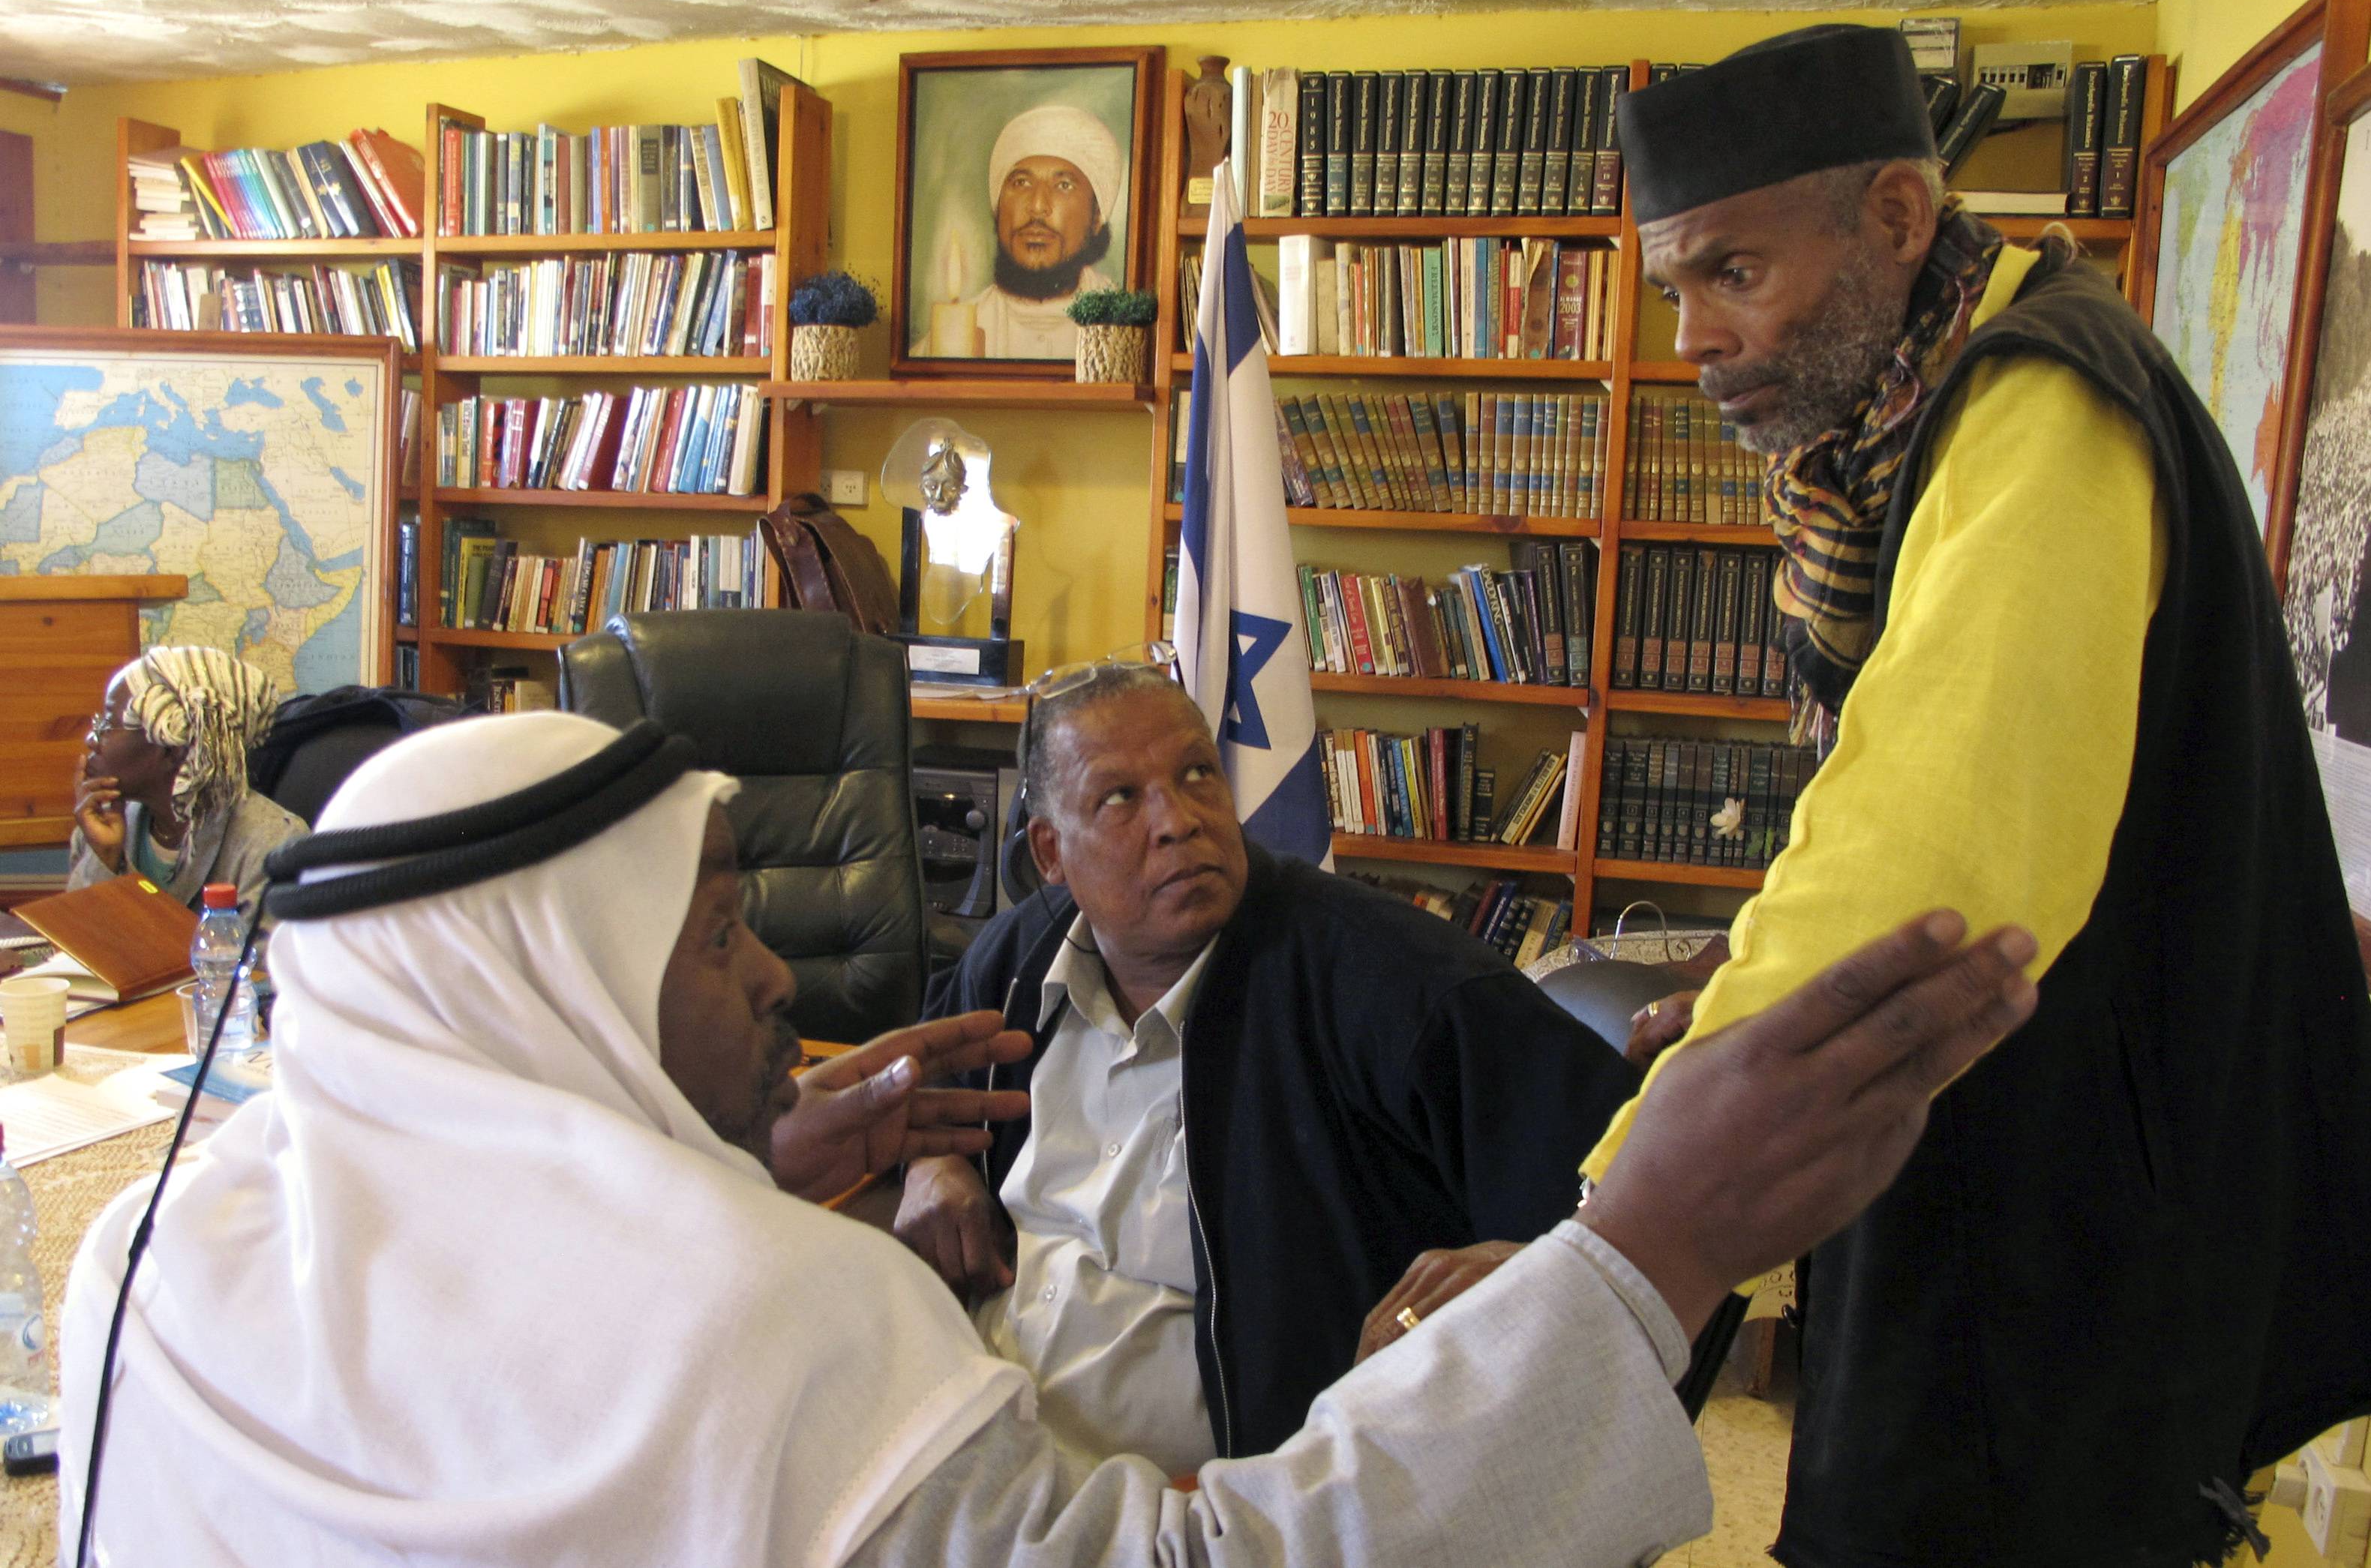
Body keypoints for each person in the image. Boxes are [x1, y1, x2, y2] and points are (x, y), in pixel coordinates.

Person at [58, 709, 2040, 1567]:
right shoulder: (765, 1320)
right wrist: (1657, 1242)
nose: (779, 978)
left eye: (1207, 775)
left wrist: (740, 1168)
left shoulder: (150, 1248)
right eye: (722, 924)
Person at [1558, 25, 2371, 1568]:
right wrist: (1743, 980)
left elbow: (1921, 860)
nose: (1692, 341)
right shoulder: (1901, 422)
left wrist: (1629, 1209)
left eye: (1731, 273)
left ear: (1891, 219)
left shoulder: (2038, 405)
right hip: (2011, 1141)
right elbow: (1881, 772)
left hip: (2061, 1213)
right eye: (1674, 288)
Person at [899, 661, 1645, 1471]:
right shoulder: (1018, 956)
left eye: (1195, 775)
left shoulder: (1389, 983)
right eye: (1120, 798)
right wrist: (934, 1159)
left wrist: (1519, 1276)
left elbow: (1631, 1188)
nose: (1177, 821)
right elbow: (925, 1071)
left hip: (1211, 1513)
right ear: (1051, 852)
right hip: (981, 1458)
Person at [67, 645, 308, 913]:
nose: (91, 739)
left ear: (171, 751)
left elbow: (262, 954)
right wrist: (104, 858)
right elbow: (71, 943)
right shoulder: (103, 824)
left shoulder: (271, 844)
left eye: (108, 725)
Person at [971, 103, 1121, 359]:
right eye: (1021, 183)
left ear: (1096, 217)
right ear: (998, 209)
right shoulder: (953, 333)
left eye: (1063, 185)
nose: (1038, 207)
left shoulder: (1124, 329)